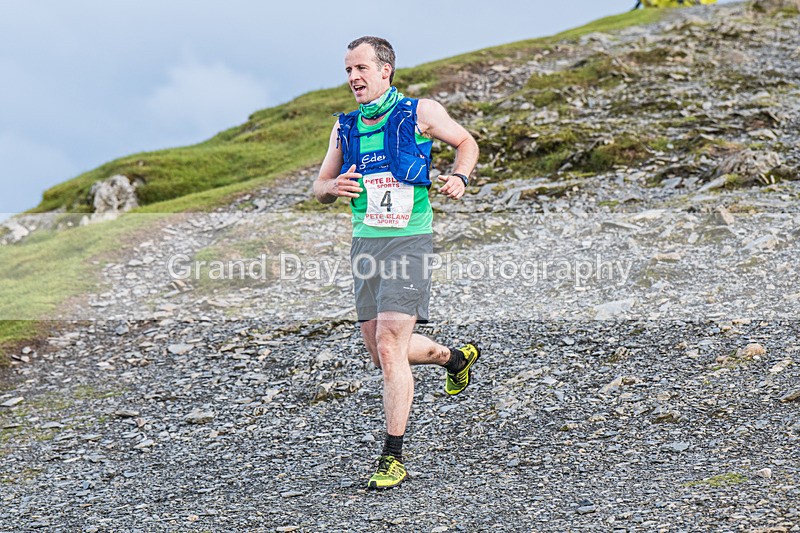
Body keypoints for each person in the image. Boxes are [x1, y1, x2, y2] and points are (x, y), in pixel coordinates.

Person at [314, 36, 480, 490]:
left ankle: (393, 457)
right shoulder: (344, 127)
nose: (353, 78)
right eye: (348, 70)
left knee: (389, 346)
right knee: (380, 351)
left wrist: (461, 177)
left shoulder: (419, 112)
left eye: (361, 68)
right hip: (365, 246)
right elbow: (319, 184)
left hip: (409, 240)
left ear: (385, 70)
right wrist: (332, 189)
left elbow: (466, 142)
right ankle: (453, 357)